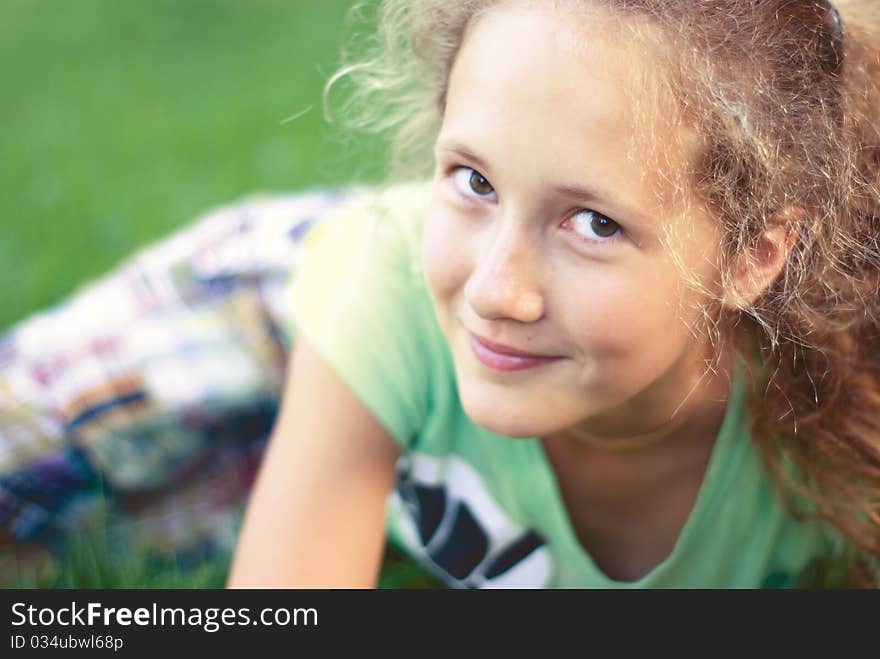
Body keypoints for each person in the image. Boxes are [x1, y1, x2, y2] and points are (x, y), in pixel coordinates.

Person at [3, 0, 879, 588]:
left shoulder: (839, 409)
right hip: (277, 310)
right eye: (473, 177)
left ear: (755, 254)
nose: (499, 291)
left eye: (595, 224)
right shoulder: (388, 280)